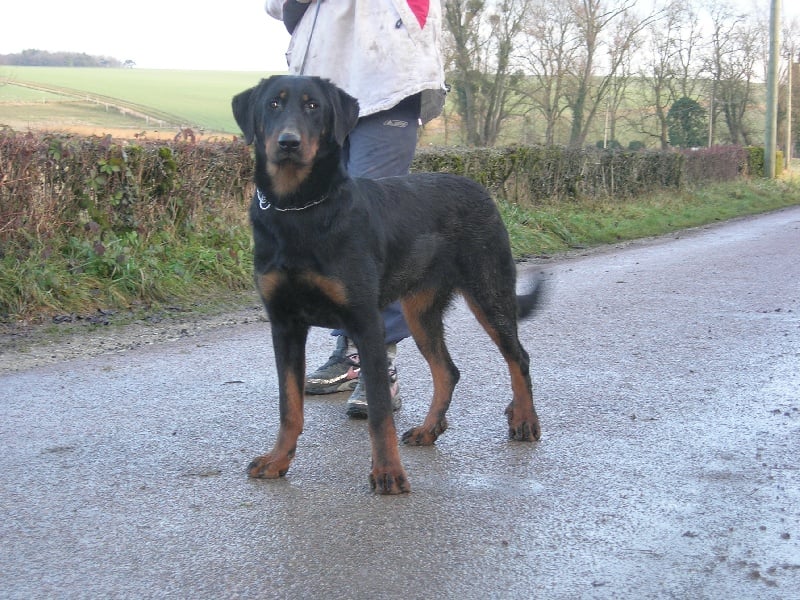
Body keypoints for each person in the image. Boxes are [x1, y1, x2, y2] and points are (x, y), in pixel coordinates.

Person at [264, 0, 447, 418]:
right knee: (324, 223)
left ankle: (382, 364)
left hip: (389, 76)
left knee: (368, 225)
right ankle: (349, 354)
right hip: (322, 84)